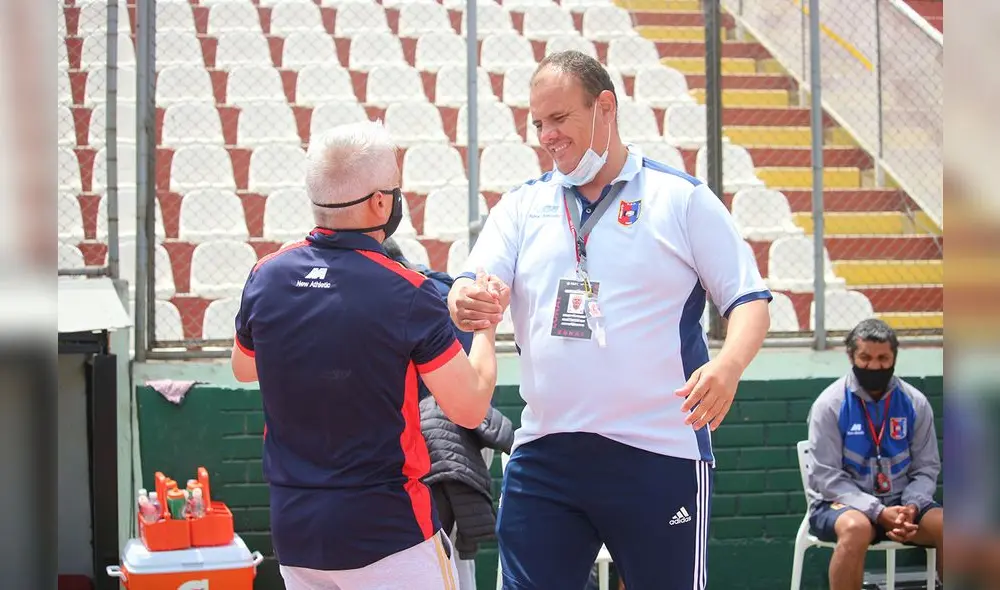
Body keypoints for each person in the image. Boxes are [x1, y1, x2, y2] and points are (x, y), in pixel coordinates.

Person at [447, 50, 773, 589]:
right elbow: (469, 282)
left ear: (605, 108)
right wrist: (464, 298)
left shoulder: (682, 199)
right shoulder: (522, 207)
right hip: (545, 452)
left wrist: (729, 365)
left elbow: (749, 301)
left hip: (659, 452)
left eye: (559, 118)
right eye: (538, 123)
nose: (547, 136)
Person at [228, 121, 510, 590]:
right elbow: (470, 406)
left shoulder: (267, 275)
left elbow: (244, 368)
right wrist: (486, 327)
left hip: (297, 535)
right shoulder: (409, 292)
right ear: (381, 202)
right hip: (389, 533)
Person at [384, 237, 515, 590]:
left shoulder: (408, 295)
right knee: (450, 554)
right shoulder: (436, 287)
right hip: (467, 433)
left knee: (437, 550)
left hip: (445, 433)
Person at [806, 318, 944, 590]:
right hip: (842, 506)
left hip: (902, 506)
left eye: (883, 358)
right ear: (851, 357)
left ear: (894, 358)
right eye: (865, 358)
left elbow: (926, 468)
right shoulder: (829, 405)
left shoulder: (915, 403)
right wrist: (878, 511)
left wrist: (911, 507)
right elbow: (827, 477)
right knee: (856, 529)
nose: (874, 366)